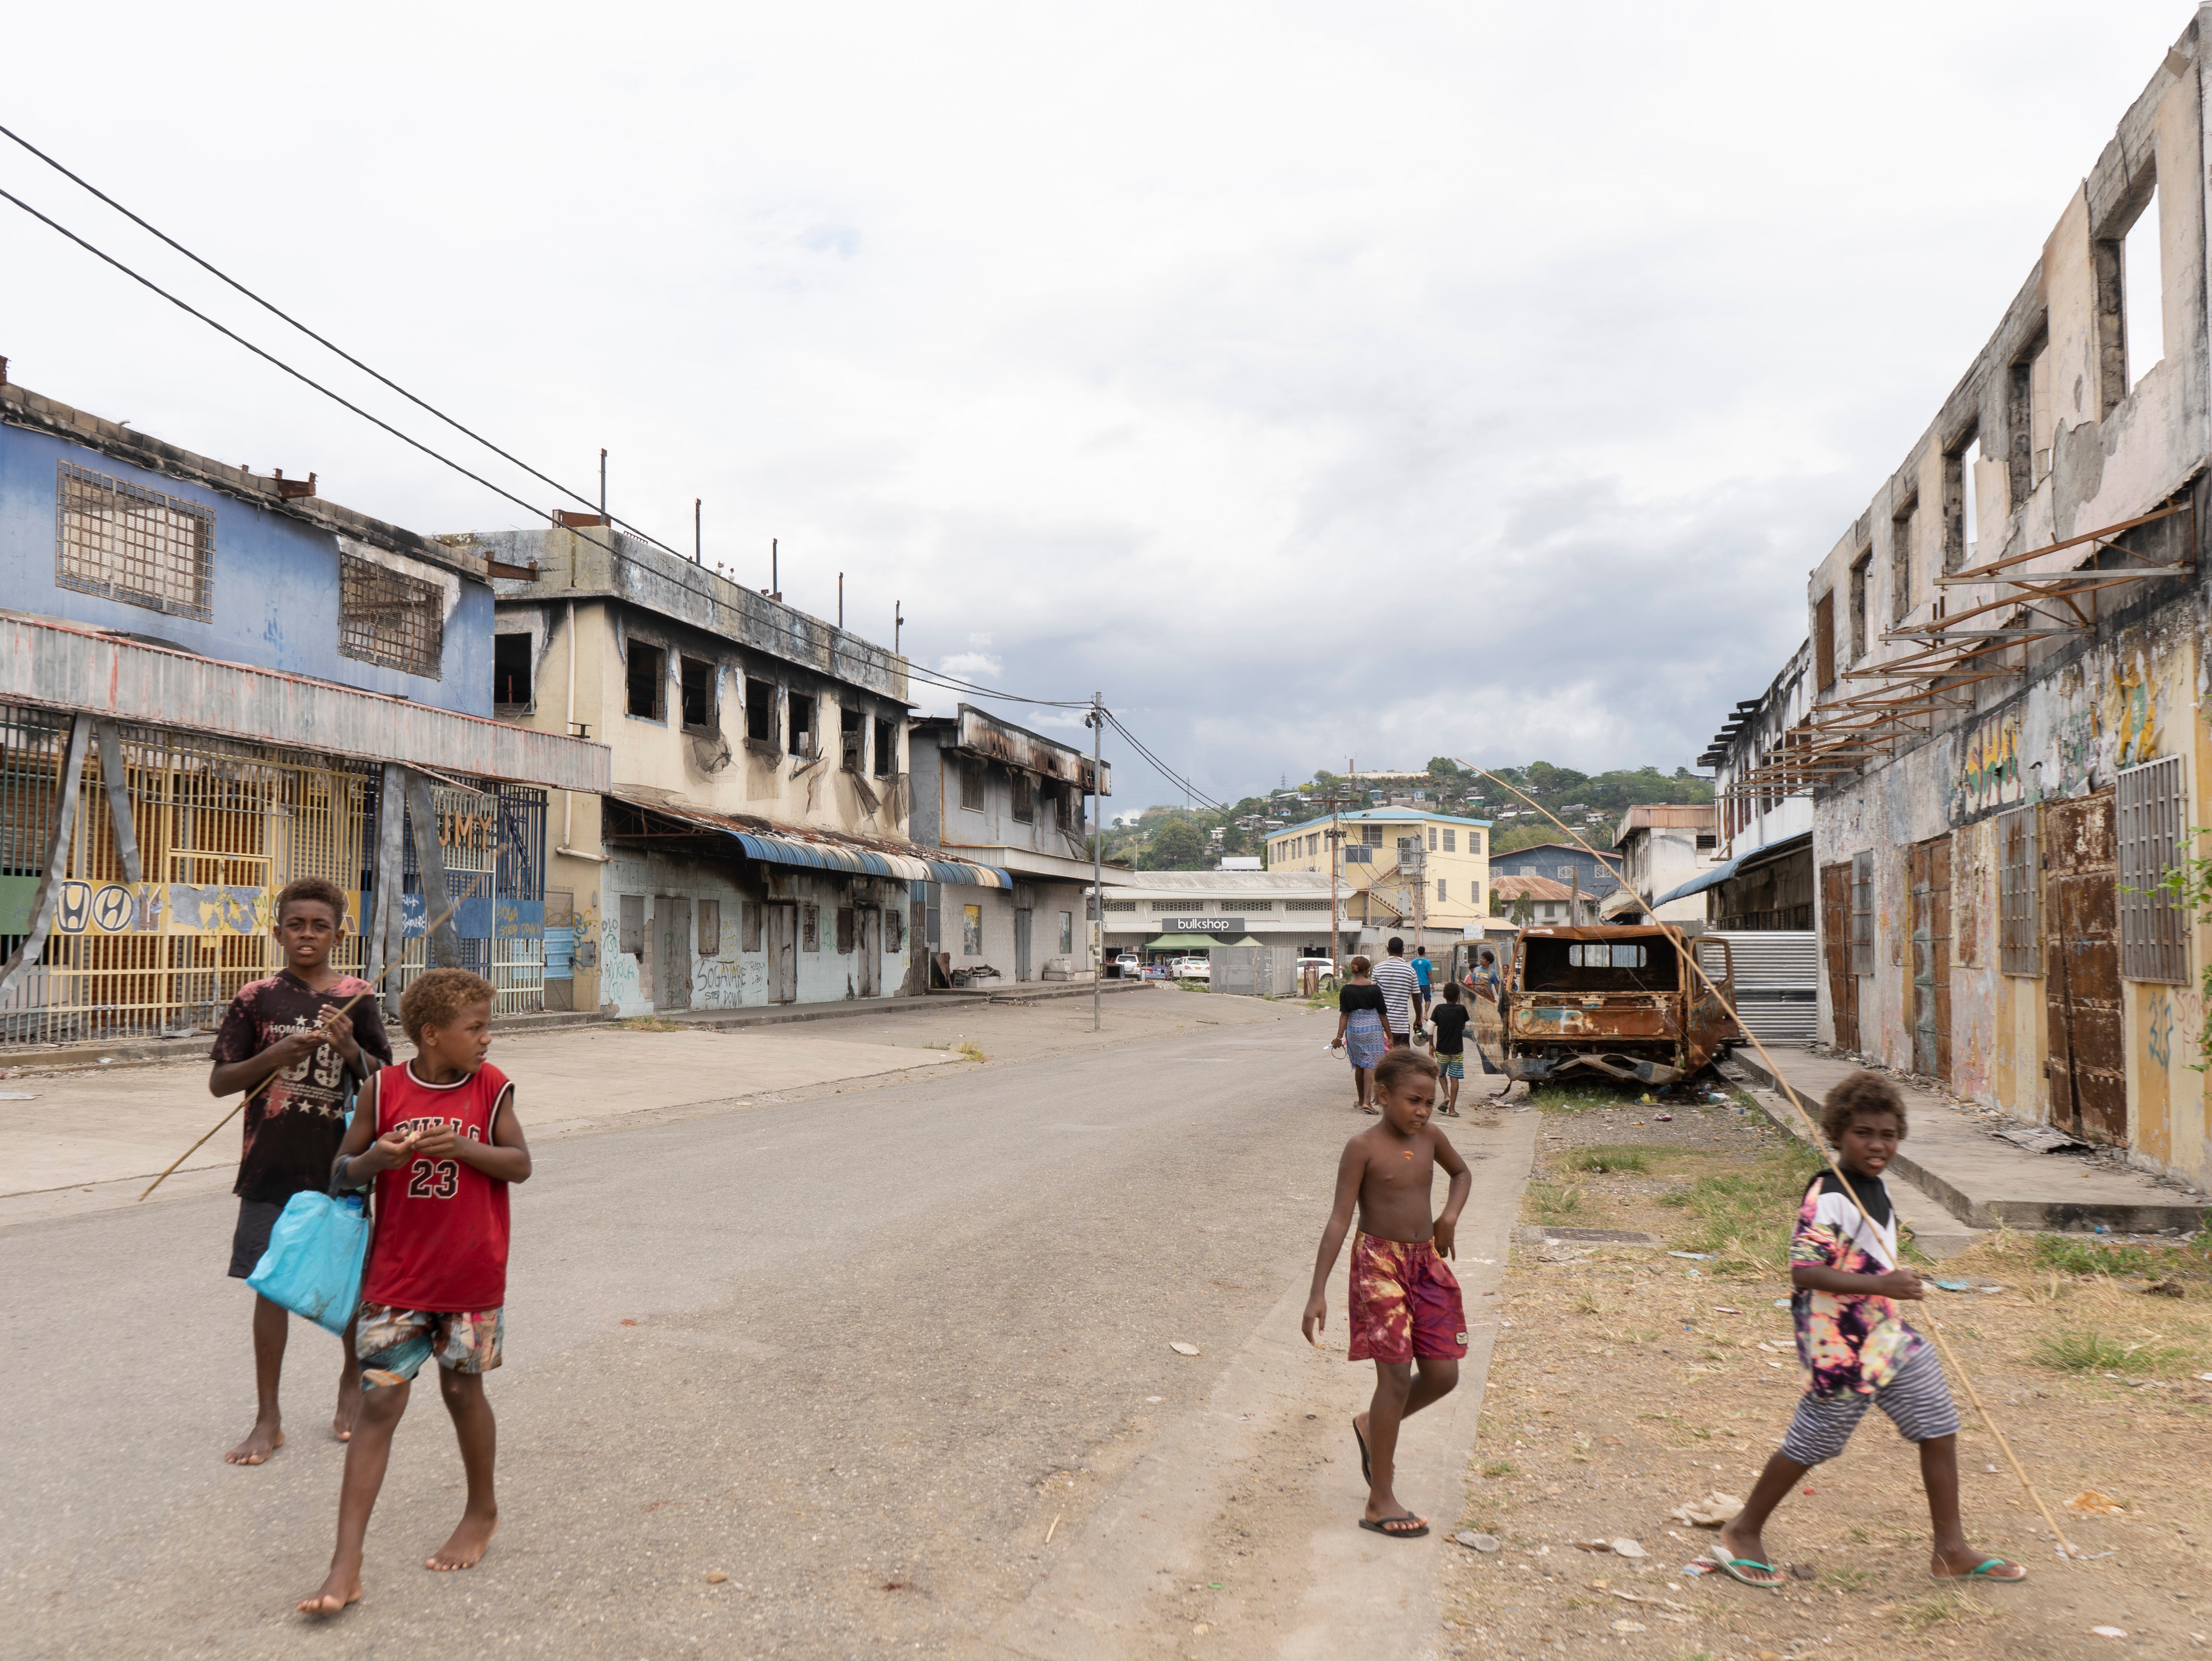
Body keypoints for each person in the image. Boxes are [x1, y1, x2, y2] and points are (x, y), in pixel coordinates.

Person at [1713, 1072, 2023, 1589]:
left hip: (1885, 1334)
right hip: (1839, 1343)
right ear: (1836, 1133)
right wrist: (1884, 1281)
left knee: (1938, 1424)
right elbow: (1804, 1271)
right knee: (1814, 1440)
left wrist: (1889, 1287)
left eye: (1886, 1134)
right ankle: (1742, 1531)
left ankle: (1949, 1550)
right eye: (1862, 1133)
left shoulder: (1874, 1188)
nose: (1876, 1144)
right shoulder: (1829, 1192)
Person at [299, 968, 533, 1616]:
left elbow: (520, 1163)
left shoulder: (491, 1088)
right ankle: (345, 1564)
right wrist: (380, 1158)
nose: (489, 1037)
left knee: (463, 1391)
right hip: (397, 1278)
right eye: (476, 1027)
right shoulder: (382, 1088)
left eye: (489, 1025)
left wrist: (463, 1146)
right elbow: (343, 1172)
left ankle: (481, 1509)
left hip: (470, 1275)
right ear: (431, 1035)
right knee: (379, 1406)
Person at [210, 877, 392, 1466]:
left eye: (319, 925)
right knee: (270, 1286)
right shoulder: (257, 997)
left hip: (340, 1166)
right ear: (279, 929)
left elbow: (386, 1084)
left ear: (338, 933)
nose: (307, 935)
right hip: (268, 1166)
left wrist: (348, 1051)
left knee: (347, 1283)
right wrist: (272, 1057)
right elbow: (220, 1082)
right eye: (296, 924)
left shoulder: (358, 995)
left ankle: (348, 1378)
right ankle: (269, 1416)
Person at [1301, 1047, 1471, 1538]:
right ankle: (1381, 1496)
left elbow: (1460, 1173)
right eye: (1413, 1100)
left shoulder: (1431, 1138)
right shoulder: (1362, 1147)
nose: (1422, 1111)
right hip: (1378, 1264)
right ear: (1382, 1096)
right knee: (1394, 1380)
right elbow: (1339, 1218)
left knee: (1442, 1375)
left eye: (1430, 1103)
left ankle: (1369, 1425)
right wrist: (1317, 1291)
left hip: (1425, 1265)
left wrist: (1449, 1216)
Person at [1331, 955, 1388, 1113]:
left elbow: (1345, 1015)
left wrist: (1339, 1037)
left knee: (1359, 1064)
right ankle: (1367, 1103)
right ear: (1367, 970)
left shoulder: (1347, 989)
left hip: (1354, 1030)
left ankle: (1361, 1100)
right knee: (1370, 1063)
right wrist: (1390, 1036)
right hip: (1373, 1030)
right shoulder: (1375, 988)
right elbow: (1383, 1014)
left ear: (1353, 969)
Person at [1428, 982, 1471, 1116]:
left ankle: (1446, 1096)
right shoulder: (1461, 1009)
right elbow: (1463, 1027)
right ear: (1458, 996)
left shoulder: (1439, 1008)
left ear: (1444, 995)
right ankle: (1452, 1109)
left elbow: (1430, 1026)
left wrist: (1431, 1044)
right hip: (1457, 1049)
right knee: (1455, 1078)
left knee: (1441, 1074)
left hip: (1442, 1049)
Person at [1372, 937, 1419, 1049]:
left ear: (1388, 950)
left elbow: (1372, 996)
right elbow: (1416, 998)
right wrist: (1418, 1019)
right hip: (1401, 1027)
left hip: (1380, 1026)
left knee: (1382, 1062)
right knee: (1401, 1063)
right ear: (1403, 950)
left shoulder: (1378, 969)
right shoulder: (1410, 971)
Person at [1409, 945, 1434, 1028]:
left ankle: (1420, 1017)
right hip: (1426, 984)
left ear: (1418, 952)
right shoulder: (1428, 962)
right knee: (1428, 999)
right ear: (1424, 952)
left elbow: (1411, 972)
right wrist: (1433, 984)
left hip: (1417, 984)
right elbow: (1429, 974)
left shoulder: (1414, 962)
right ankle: (1426, 1014)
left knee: (1418, 1001)